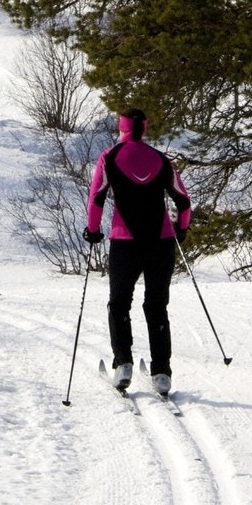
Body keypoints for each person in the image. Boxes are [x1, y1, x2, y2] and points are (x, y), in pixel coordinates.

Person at [85, 108, 192, 397]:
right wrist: (180, 230)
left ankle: (123, 365)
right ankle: (161, 373)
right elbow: (183, 202)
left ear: (121, 128)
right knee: (156, 307)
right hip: (161, 243)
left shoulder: (109, 157)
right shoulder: (161, 159)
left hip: (125, 242)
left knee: (119, 304)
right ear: (144, 129)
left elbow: (96, 197)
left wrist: (93, 231)